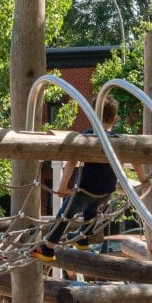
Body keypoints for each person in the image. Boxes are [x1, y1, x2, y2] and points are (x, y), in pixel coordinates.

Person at [33, 98, 123, 259]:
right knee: (92, 212)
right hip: (106, 192)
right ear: (115, 120)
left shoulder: (87, 136)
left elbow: (72, 161)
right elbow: (136, 159)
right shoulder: (118, 140)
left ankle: (48, 247)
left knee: (64, 215)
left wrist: (62, 187)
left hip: (84, 189)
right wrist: (144, 179)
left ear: (90, 116)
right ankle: (83, 239)